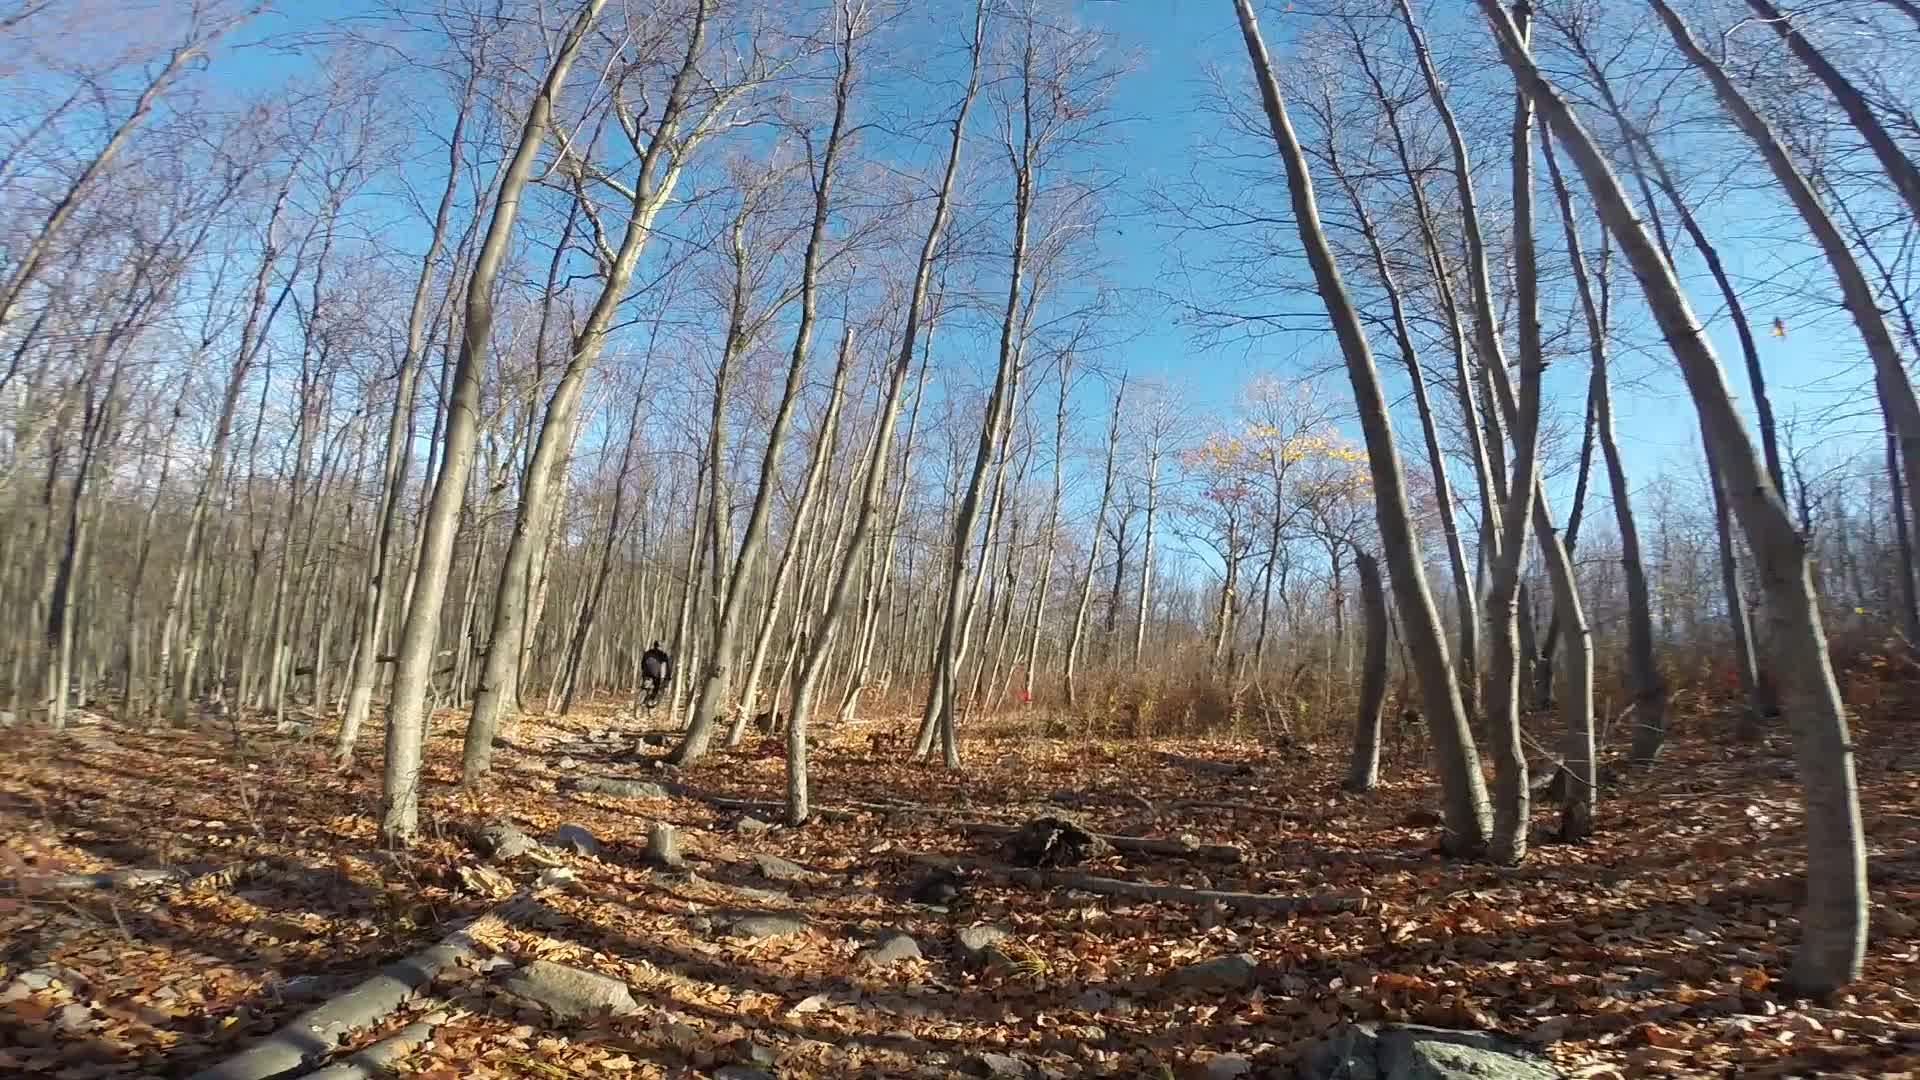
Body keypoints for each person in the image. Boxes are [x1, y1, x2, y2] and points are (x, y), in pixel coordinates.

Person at [640, 641, 673, 708]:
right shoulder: (663, 654)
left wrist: (643, 671)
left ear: (654, 645)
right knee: (657, 687)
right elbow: (667, 666)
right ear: (659, 646)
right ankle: (650, 701)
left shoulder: (647, 653)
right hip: (656, 674)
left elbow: (642, 663)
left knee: (645, 685)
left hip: (646, 673)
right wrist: (668, 677)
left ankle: (643, 695)